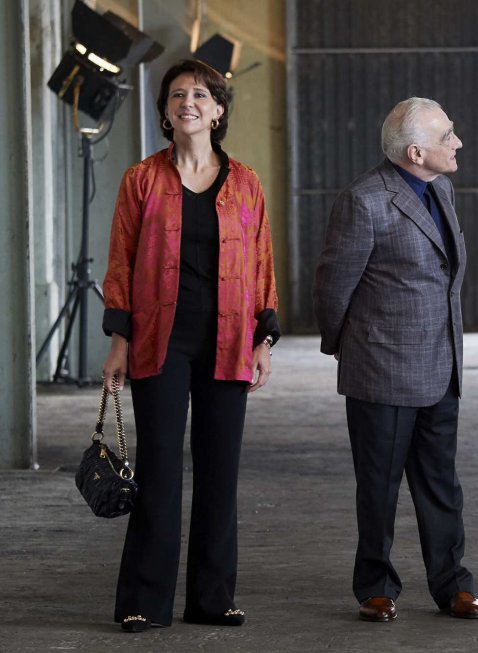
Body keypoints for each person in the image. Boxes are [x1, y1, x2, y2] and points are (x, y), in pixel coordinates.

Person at [101, 59, 279, 632]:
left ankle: (212, 598)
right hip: (159, 342)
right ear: (166, 111)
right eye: (178, 94)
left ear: (218, 109)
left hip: (227, 342)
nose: (188, 102)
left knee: (219, 473)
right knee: (158, 473)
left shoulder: (247, 182)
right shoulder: (141, 180)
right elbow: (121, 264)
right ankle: (143, 603)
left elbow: (261, 265)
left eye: (200, 94)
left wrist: (263, 338)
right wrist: (119, 340)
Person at [312, 97, 478, 622]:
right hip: (381, 370)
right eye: (447, 136)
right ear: (416, 152)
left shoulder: (443, 189)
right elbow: (333, 285)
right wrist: (349, 346)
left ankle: (451, 582)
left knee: (441, 484)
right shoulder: (365, 200)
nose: (457, 143)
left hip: (441, 364)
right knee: (379, 488)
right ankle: (375, 586)